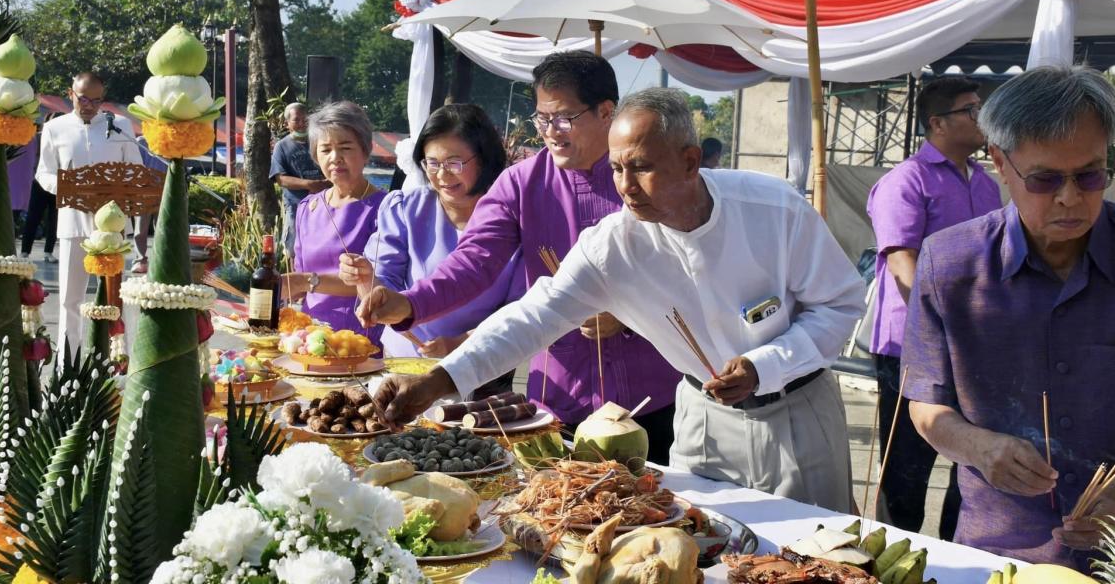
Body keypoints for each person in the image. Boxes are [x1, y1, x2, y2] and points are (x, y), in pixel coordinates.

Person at [366, 88, 863, 509]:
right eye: (618, 168)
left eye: (641, 168)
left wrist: (766, 365)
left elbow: (840, 306)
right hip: (703, 419)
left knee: (817, 554)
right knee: (702, 553)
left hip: (797, 412)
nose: (624, 186)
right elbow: (531, 318)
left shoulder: (773, 210)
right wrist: (437, 382)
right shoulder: (614, 244)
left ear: (690, 162)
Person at [355, 52, 682, 464]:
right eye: (542, 119)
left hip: (650, 395)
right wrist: (411, 304)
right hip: (559, 396)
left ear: (606, 112)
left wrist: (631, 312)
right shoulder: (522, 183)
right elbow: (474, 260)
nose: (550, 132)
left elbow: (681, 269)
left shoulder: (642, 178)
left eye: (563, 118)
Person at [904, 66, 1115, 569]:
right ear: (1000, 162)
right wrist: (977, 446)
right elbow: (925, 404)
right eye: (1045, 179)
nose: (1070, 197)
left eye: (1090, 175)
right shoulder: (949, 263)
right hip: (998, 549)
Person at [865, 77, 1001, 537]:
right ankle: (894, 554)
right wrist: (941, 331)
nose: (981, 118)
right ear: (937, 123)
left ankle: (956, 550)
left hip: (974, 343)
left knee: (971, 458)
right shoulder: (906, 180)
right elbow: (903, 263)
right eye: (971, 110)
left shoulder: (985, 183)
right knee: (906, 464)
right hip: (912, 348)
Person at [339, 104, 521, 395]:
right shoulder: (406, 208)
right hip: (405, 363)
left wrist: (462, 342)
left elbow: (519, 310)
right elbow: (385, 284)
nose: (442, 175)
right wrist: (366, 280)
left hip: (482, 368)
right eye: (432, 163)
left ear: (484, 160)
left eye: (454, 162)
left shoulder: (513, 221)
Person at [35, 72, 141, 359]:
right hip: (73, 223)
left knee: (114, 299)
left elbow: (135, 171)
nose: (90, 106)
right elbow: (43, 173)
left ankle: (116, 361)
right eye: (84, 99)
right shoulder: (55, 128)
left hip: (113, 228)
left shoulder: (119, 126)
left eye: (97, 101)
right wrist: (68, 187)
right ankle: (66, 363)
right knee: (71, 298)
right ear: (71, 94)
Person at [279, 101, 386, 343]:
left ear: (366, 150)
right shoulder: (308, 207)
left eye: (345, 148)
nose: (335, 158)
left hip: (359, 338)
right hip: (310, 338)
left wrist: (305, 281)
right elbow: (298, 276)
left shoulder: (384, 208)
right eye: (325, 149)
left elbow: (382, 283)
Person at [270, 102, 329, 261]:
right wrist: (310, 185)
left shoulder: (321, 142)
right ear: (287, 123)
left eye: (306, 119)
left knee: (323, 247)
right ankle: (294, 282)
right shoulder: (282, 147)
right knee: (293, 250)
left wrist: (328, 182)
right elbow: (280, 179)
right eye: (297, 120)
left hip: (325, 205)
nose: (302, 123)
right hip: (296, 206)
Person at [132, 133, 169, 275]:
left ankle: (161, 260)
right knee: (141, 228)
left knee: (162, 228)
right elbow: (135, 165)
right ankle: (140, 260)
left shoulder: (168, 141)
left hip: (164, 189)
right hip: (144, 191)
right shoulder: (140, 141)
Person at [20, 127, 58, 262]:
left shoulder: (66, 137)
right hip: (39, 181)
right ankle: (25, 251)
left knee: (54, 220)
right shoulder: (39, 137)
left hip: (58, 182)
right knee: (33, 217)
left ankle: (48, 252)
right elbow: (31, 157)